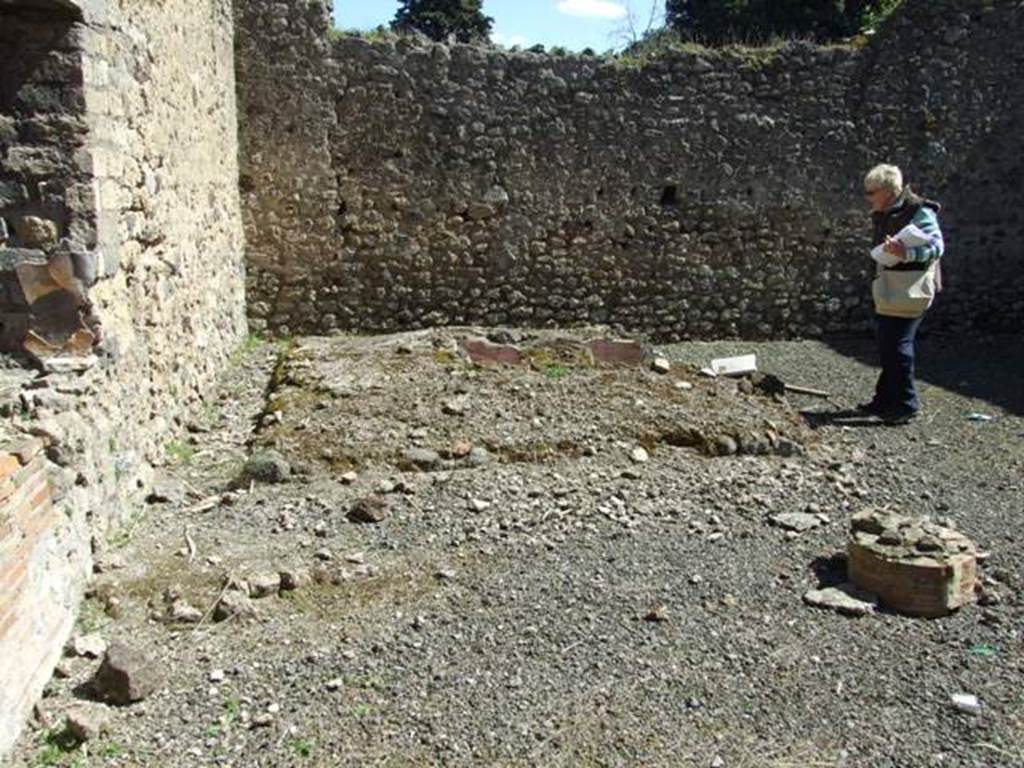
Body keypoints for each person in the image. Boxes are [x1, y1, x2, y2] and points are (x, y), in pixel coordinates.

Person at [859, 164, 944, 425]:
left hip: (907, 290)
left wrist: (905, 254)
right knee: (889, 344)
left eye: (871, 192)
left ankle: (905, 404)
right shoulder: (887, 211)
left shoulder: (919, 211)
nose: (868, 197)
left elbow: (937, 246)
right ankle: (884, 400)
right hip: (892, 288)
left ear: (887, 191)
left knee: (897, 346)